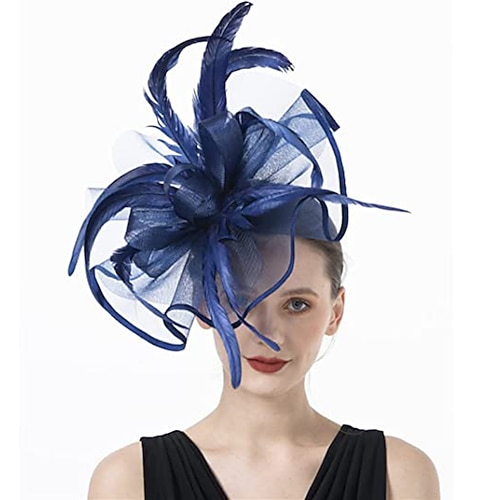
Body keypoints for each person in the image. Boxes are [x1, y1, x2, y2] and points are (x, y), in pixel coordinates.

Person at [70, 2, 440, 498]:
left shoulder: (399, 473)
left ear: (336, 311)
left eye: (297, 304)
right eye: (240, 300)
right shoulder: (127, 480)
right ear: (203, 303)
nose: (268, 334)